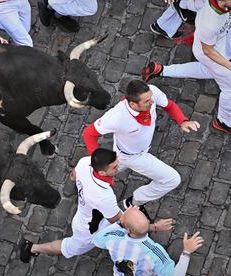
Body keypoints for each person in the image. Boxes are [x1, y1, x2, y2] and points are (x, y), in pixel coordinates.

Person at [19, 148, 172, 263]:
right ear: (102, 173)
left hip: (94, 214)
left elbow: (73, 175)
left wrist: (76, 187)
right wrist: (154, 227)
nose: (118, 168)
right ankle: (32, 247)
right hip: (89, 229)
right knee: (70, 249)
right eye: (114, 167)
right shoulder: (103, 197)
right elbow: (122, 221)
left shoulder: (85, 162)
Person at [83, 80, 200, 213]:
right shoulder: (116, 117)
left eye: (151, 98)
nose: (152, 102)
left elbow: (170, 105)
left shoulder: (151, 93)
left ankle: (86, 176)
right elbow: (89, 134)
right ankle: (132, 202)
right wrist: (98, 161)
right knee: (172, 180)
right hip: (131, 157)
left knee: (105, 172)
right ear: (133, 104)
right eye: (147, 101)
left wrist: (183, 121)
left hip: (130, 151)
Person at [142, 0, 231, 134]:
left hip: (221, 43)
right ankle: (224, 121)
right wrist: (229, 65)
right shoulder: (210, 22)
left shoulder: (215, 6)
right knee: (229, 88)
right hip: (212, 53)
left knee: (208, 70)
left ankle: (161, 70)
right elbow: (208, 51)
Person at [93, 205, 204, 276]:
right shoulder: (154, 252)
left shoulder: (114, 238)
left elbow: (97, 240)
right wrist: (186, 252)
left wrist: (120, 223)